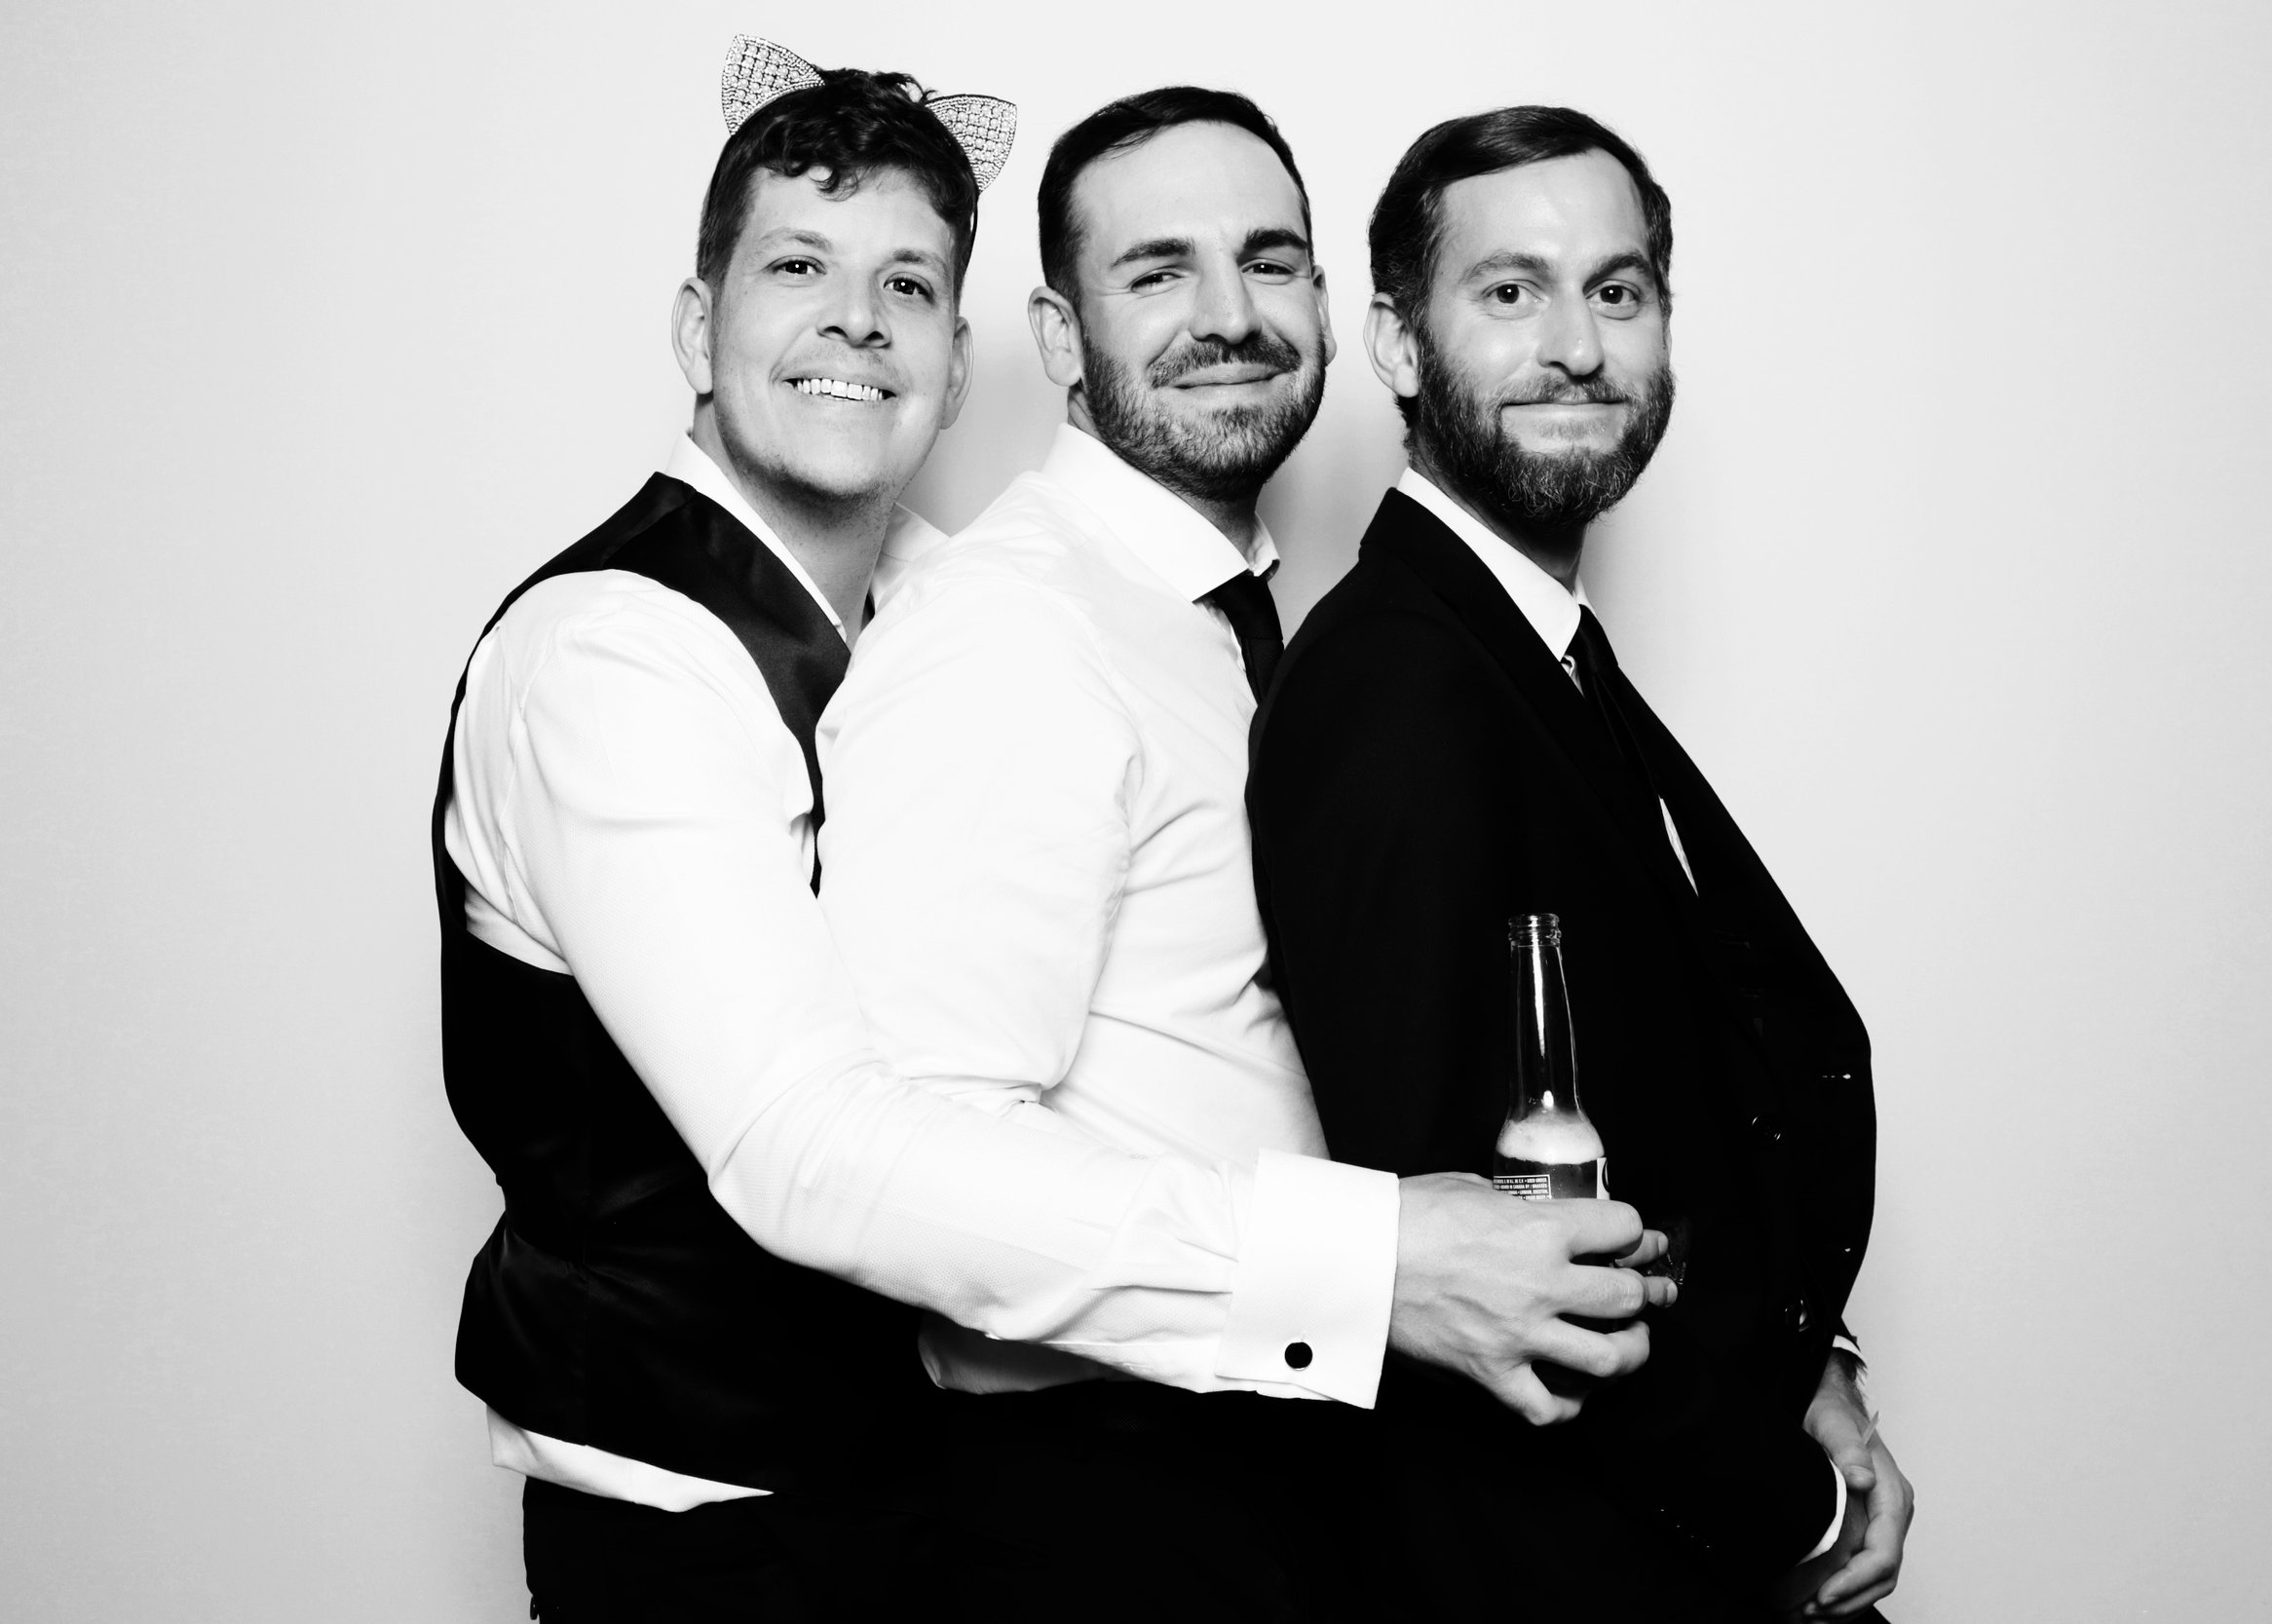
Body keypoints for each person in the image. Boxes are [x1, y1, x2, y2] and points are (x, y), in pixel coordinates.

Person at [438, 50, 1661, 1620]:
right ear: (697, 325)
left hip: (928, 1496)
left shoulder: (957, 592)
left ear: (957, 358)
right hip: (719, 1527)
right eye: (797, 267)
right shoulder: (614, 654)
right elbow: (811, 1152)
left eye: (906, 282)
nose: (856, 321)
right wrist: (1371, 1267)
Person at [814, 87, 1668, 1620]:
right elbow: (898, 1171)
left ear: (1335, 314)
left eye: (1269, 264)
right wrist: (1371, 1267)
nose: (1230, 317)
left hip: (1324, 1476)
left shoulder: (1278, 630)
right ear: (1061, 338)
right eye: (1157, 274)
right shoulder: (1008, 637)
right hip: (1112, 1506)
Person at [1245, 106, 1915, 1620]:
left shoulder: (1534, 653)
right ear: (1400, 347)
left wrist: (1809, 1364)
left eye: (1617, 291)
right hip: (1566, 1566)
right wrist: (1790, 1505)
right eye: (1510, 291)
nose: (1577, 346)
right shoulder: (1395, 688)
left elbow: (1664, 1115)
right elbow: (1473, 1252)